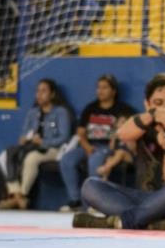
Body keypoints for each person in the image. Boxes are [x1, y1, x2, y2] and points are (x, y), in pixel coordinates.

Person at [73, 73, 165, 232]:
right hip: (146, 202)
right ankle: (151, 224)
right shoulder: (143, 127)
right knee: (90, 186)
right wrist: (154, 115)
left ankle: (122, 222)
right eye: (158, 103)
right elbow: (122, 133)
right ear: (147, 104)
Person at [58, 74, 135, 212]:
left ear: (113, 91)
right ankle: (75, 200)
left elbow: (130, 129)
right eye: (98, 87)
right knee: (67, 160)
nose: (100, 91)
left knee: (95, 159)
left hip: (108, 147)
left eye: (104, 88)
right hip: (88, 145)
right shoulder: (90, 108)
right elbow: (81, 132)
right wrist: (87, 146)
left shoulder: (123, 109)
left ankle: (95, 204)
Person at [0, 79, 72, 210]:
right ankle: (17, 196)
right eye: (38, 91)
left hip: (53, 150)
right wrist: (24, 139)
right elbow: (24, 133)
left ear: (52, 94)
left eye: (44, 91)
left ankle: (22, 195)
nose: (39, 94)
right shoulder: (33, 112)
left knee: (32, 158)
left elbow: (64, 137)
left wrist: (44, 142)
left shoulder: (61, 112)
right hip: (30, 147)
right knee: (5, 155)